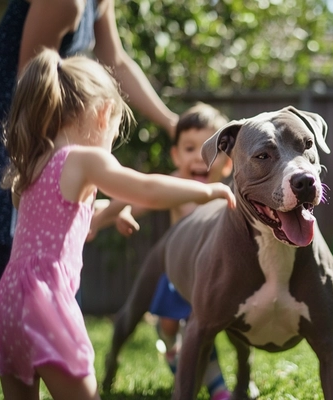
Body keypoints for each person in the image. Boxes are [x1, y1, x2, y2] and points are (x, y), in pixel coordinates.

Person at [0, 0, 178, 398]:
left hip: (52, 135)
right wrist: (47, 161)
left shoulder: (99, 3)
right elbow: (32, 87)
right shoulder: (65, 2)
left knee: (43, 263)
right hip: (15, 131)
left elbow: (117, 60)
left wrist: (170, 121)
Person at [0, 49, 235, 400]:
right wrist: (205, 190)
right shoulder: (83, 159)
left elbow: (62, 212)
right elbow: (147, 189)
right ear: (104, 114)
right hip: (46, 300)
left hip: (8, 301)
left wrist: (109, 208)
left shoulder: (34, 165)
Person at [87, 103, 233, 400]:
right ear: (176, 156)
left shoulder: (227, 195)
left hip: (209, 276)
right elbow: (137, 198)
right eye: (190, 149)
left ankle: (218, 386)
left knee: (201, 326)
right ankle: (169, 345)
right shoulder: (176, 185)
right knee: (169, 322)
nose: (198, 158)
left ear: (227, 163)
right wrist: (123, 211)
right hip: (178, 271)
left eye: (208, 150)